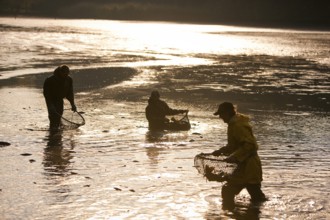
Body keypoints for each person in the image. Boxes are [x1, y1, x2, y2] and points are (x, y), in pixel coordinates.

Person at [208, 102, 267, 210]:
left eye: (221, 114)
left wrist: (234, 156)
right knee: (227, 191)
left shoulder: (238, 125)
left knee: (255, 195)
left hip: (250, 166)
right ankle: (232, 213)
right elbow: (234, 145)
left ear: (228, 112)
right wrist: (221, 151)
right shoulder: (233, 124)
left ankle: (258, 214)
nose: (220, 117)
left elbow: (250, 145)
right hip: (240, 166)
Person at [43, 65, 76, 130]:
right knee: (53, 116)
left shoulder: (69, 80)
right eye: (65, 73)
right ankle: (52, 132)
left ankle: (58, 134)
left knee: (59, 115)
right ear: (60, 72)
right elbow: (47, 95)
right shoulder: (49, 80)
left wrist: (72, 104)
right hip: (51, 99)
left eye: (67, 73)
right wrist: (50, 105)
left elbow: (70, 93)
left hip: (60, 99)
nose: (66, 75)